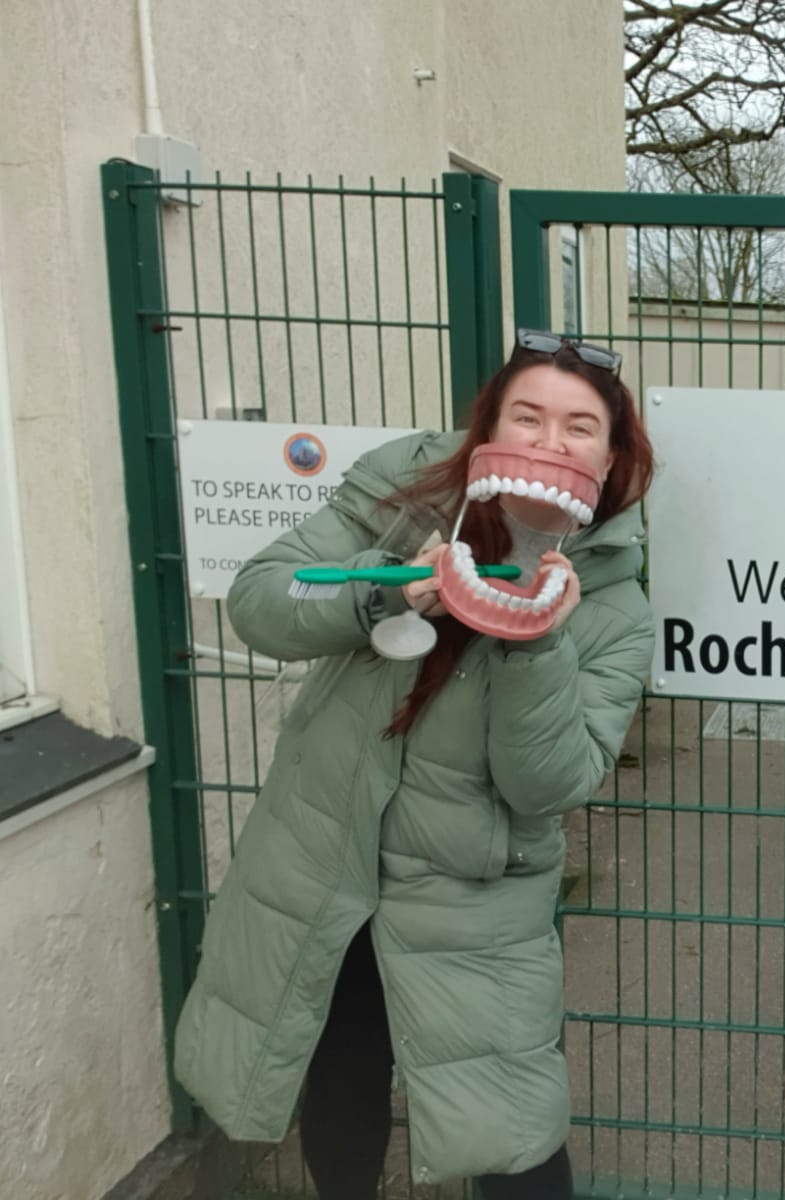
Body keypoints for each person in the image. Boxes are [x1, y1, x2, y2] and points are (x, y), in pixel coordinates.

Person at [173, 331, 656, 1198]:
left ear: (612, 455)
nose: (551, 442)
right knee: (341, 1088)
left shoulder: (615, 604)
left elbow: (548, 784)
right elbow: (260, 600)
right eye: (528, 415)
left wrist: (534, 638)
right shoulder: (406, 494)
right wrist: (384, 589)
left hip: (475, 903)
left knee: (510, 1137)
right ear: (489, 425)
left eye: (579, 428)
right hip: (328, 863)